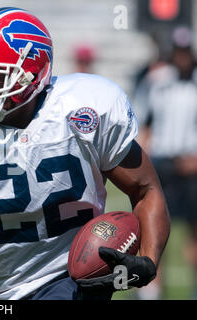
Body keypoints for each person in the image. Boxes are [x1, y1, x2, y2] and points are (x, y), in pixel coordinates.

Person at [0, 7, 170, 300]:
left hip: (72, 278)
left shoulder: (83, 110)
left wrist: (148, 261)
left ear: (29, 77)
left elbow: (145, 189)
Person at [133, 26, 197, 299]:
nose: (182, 57)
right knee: (156, 232)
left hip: (193, 166)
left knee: (194, 233)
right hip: (163, 164)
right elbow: (145, 124)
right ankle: (151, 293)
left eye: (186, 52)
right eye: (178, 51)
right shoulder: (156, 80)